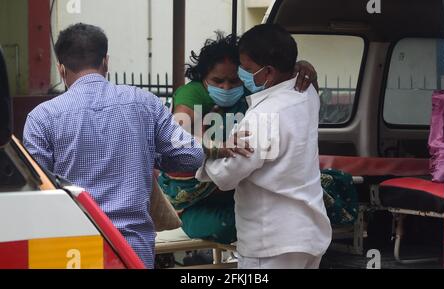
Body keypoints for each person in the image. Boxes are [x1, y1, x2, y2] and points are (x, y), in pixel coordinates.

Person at [23, 23, 204, 269]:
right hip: (133, 249)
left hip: (71, 250)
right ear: (106, 62)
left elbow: (35, 192)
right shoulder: (145, 104)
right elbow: (191, 156)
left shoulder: (41, 118)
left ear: (61, 69)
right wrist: (148, 154)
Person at [157, 32, 319, 247]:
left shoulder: (259, 93)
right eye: (217, 80)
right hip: (194, 198)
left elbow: (296, 88)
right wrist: (215, 149)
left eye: (235, 80)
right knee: (233, 223)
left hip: (238, 189)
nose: (226, 87)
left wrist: (303, 69)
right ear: (202, 77)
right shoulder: (193, 94)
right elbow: (177, 137)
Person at [196, 24, 332, 269]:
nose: (242, 75)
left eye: (247, 69)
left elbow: (227, 175)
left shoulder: (265, 115)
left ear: (268, 71)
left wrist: (205, 151)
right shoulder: (306, 93)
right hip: (308, 235)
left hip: (272, 241)